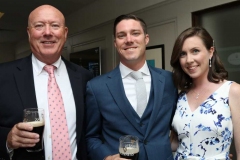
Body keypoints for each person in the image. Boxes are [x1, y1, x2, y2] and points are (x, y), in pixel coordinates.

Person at [0, 5, 92, 160]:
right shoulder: (3, 75)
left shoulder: (84, 77)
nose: (48, 33)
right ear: (29, 33)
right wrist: (7, 139)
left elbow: (90, 132)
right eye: (39, 26)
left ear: (65, 33)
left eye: (55, 26)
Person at [85, 14, 178, 160]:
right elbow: (91, 137)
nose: (129, 40)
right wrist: (106, 158)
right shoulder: (97, 87)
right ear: (115, 43)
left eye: (135, 33)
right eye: (122, 36)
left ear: (146, 39)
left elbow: (182, 124)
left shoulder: (169, 80)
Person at [170, 26, 240, 159]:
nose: (189, 60)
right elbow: (175, 142)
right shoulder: (181, 96)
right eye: (183, 54)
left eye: (195, 51)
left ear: (211, 51)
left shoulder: (233, 91)